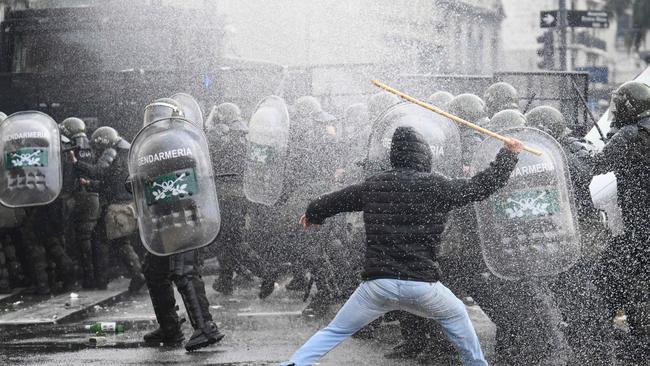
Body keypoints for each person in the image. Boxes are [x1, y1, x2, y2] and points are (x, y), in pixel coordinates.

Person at [280, 126, 523, 366]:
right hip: (422, 285)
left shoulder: (373, 185)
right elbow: (481, 186)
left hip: (377, 286)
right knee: (457, 314)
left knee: (334, 332)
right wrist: (508, 155)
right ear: (424, 155)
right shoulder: (437, 186)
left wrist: (313, 214)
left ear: (393, 156)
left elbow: (332, 200)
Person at [593, 81, 650, 363]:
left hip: (638, 232)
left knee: (608, 281)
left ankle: (600, 340)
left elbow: (597, 164)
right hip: (642, 229)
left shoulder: (628, 135)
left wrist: (577, 149)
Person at [71, 126, 145, 292]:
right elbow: (112, 183)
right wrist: (90, 185)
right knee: (120, 241)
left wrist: (76, 163)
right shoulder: (126, 152)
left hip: (116, 207)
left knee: (101, 240)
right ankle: (137, 274)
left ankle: (102, 281)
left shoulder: (112, 152)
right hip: (127, 204)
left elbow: (99, 171)